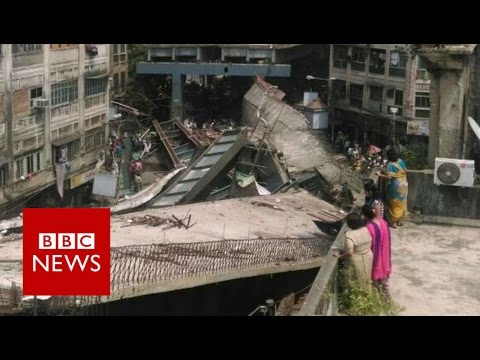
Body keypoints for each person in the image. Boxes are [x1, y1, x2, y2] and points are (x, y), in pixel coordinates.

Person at [335, 213, 373, 286]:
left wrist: (340, 255)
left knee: (356, 281)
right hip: (368, 256)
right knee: (366, 279)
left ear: (349, 224)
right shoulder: (366, 229)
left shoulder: (349, 235)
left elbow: (349, 252)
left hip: (357, 260)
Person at [362, 204, 392, 298]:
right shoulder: (383, 223)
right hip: (385, 252)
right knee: (383, 275)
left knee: (376, 274)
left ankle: (379, 294)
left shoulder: (369, 227)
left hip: (376, 253)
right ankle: (384, 293)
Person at [376, 149, 408, 228]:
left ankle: (393, 222)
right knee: (402, 202)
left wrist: (379, 174)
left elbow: (389, 177)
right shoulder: (401, 161)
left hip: (395, 186)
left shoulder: (390, 165)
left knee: (394, 204)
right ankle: (399, 221)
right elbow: (405, 170)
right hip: (404, 184)